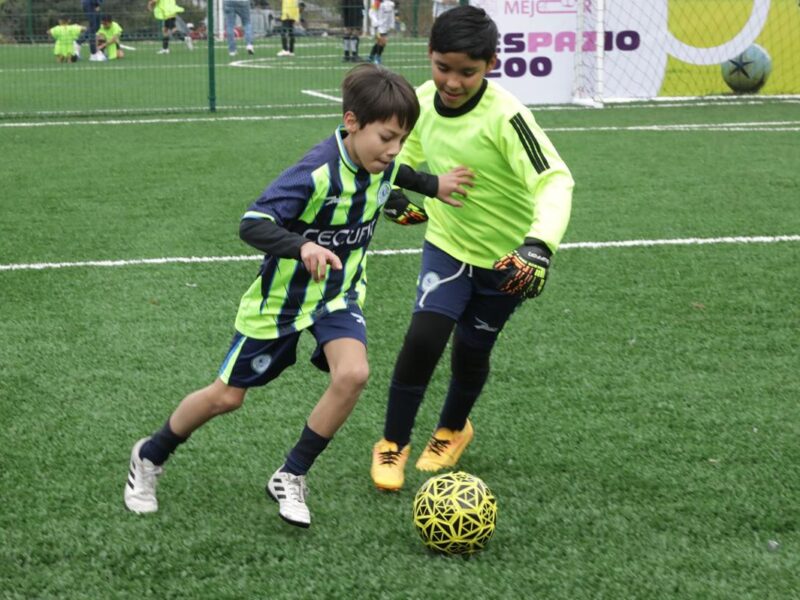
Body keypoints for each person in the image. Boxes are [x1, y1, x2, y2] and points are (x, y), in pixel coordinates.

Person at [123, 63, 473, 528]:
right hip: (281, 304)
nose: (393, 150)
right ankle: (149, 455)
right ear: (351, 122)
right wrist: (303, 245)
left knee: (353, 374)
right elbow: (252, 222)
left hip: (338, 295)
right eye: (386, 137)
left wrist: (434, 185)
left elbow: (398, 176)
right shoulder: (315, 173)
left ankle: (291, 474)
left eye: (401, 139)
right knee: (227, 397)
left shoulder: (380, 164)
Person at [370, 5, 574, 491]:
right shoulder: (418, 103)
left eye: (468, 72)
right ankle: (393, 443)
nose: (453, 82)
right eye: (443, 67)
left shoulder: (507, 117)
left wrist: (539, 246)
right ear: (429, 55)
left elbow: (555, 180)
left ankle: (452, 429)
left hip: (508, 262)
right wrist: (392, 195)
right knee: (423, 339)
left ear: (491, 64)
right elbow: (399, 157)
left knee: (471, 351)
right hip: (446, 244)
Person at [367, 0, 394, 65]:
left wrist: (391, 24)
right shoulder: (376, 2)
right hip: (377, 26)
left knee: (380, 42)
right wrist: (375, 22)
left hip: (385, 26)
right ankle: (377, 57)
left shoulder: (390, 4)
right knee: (382, 41)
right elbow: (371, 13)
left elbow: (391, 15)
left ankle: (371, 56)